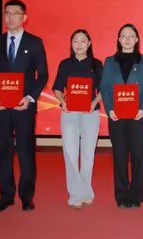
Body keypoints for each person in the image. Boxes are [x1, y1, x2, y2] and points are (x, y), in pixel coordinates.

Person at [0, 0, 48, 212]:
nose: (10, 17)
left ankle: (27, 196)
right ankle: (6, 196)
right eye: (7, 13)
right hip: (0, 107)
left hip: (23, 107)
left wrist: (29, 97)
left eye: (15, 13)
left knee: (26, 150)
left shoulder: (34, 43)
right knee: (4, 150)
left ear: (24, 17)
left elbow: (42, 75)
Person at [101, 22, 143, 209]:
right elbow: (105, 88)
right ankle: (122, 195)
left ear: (137, 39)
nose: (127, 39)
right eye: (123, 36)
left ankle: (136, 195)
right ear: (119, 39)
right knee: (120, 156)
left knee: (138, 156)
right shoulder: (110, 61)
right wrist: (110, 109)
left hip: (138, 116)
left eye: (131, 36)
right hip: (116, 117)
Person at [52, 28, 103, 209]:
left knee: (88, 154)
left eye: (83, 41)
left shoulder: (97, 64)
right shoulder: (65, 64)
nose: (79, 44)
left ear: (89, 44)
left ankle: (86, 192)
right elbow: (57, 88)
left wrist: (94, 102)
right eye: (75, 41)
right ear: (71, 44)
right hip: (69, 113)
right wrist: (62, 101)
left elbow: (103, 89)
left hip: (91, 113)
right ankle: (75, 195)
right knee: (71, 154)